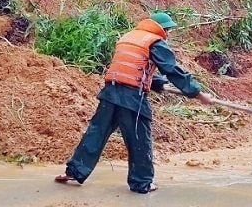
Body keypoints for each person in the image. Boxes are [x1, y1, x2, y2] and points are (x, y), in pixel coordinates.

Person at [56, 12, 213, 194]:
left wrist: (158, 83)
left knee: (96, 133)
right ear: (160, 28)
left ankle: (75, 171)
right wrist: (198, 94)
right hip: (131, 98)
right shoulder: (154, 41)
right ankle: (142, 183)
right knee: (139, 139)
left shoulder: (129, 38)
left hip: (110, 92)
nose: (168, 34)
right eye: (168, 30)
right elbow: (173, 70)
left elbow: (131, 67)